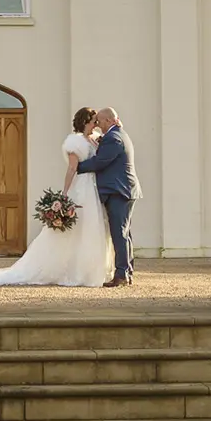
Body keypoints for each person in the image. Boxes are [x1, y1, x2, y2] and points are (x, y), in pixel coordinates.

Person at [0, 107, 114, 288]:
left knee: (92, 227)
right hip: (82, 188)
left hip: (94, 188)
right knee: (76, 229)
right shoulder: (74, 142)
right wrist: (65, 193)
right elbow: (71, 169)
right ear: (85, 121)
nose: (96, 123)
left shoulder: (94, 140)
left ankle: (89, 270)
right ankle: (69, 270)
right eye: (93, 120)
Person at [74, 104, 140, 286]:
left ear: (110, 120)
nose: (98, 124)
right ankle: (127, 271)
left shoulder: (114, 137)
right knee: (124, 233)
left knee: (119, 233)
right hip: (123, 190)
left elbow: (100, 161)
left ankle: (121, 275)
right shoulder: (117, 134)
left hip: (118, 191)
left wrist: (77, 167)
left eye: (100, 121)